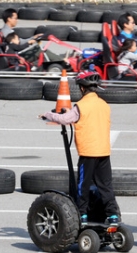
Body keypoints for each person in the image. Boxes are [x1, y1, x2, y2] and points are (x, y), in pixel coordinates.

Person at [38, 71, 120, 226]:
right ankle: (113, 215)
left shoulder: (81, 106)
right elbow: (88, 118)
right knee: (105, 185)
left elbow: (64, 119)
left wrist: (48, 114)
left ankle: (81, 215)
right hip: (103, 151)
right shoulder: (104, 105)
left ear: (82, 88)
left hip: (88, 152)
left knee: (83, 185)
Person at [0, 8, 65, 64]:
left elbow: (20, 41)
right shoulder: (6, 32)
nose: (17, 20)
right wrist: (30, 41)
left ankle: (60, 60)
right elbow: (19, 44)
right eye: (15, 18)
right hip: (16, 57)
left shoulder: (8, 30)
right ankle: (63, 62)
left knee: (40, 49)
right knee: (39, 50)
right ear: (9, 19)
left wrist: (34, 37)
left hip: (17, 54)